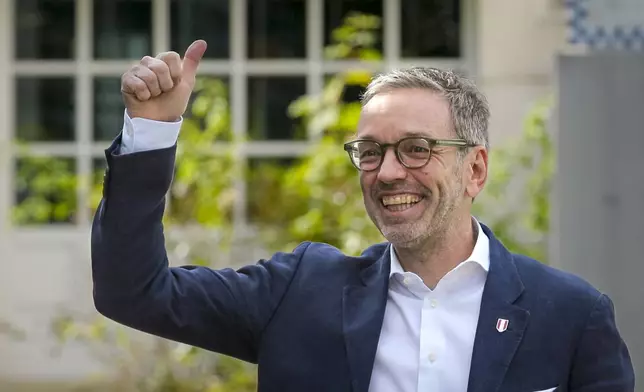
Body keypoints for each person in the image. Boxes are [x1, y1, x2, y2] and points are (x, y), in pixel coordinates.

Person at [91, 40, 634, 392]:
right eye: (370, 152)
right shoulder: (299, 293)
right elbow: (133, 292)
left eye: (417, 148)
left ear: (475, 170)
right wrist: (152, 133)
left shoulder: (571, 318)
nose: (389, 172)